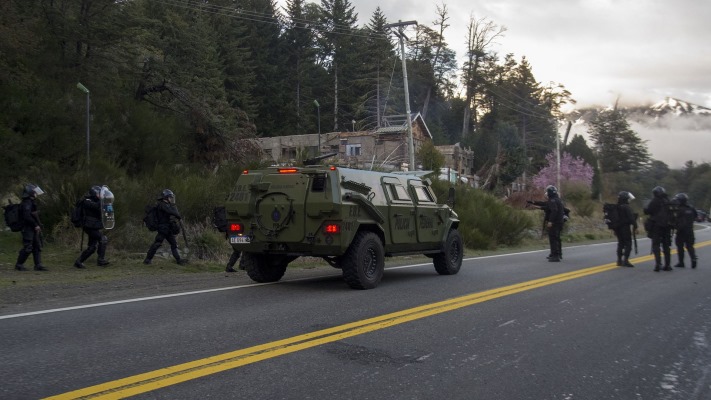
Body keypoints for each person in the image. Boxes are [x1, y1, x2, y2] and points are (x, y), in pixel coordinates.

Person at [143, 189, 187, 265]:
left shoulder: (167, 205)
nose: (171, 199)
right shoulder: (162, 205)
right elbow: (170, 212)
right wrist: (178, 215)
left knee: (173, 244)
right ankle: (147, 260)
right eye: (170, 197)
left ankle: (179, 260)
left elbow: (172, 212)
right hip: (163, 228)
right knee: (157, 243)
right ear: (166, 198)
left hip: (167, 228)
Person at [74, 186, 110, 269]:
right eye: (98, 193)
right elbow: (96, 206)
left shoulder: (96, 201)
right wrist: (102, 199)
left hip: (94, 226)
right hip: (88, 226)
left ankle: (78, 262)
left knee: (92, 247)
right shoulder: (87, 201)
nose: (99, 195)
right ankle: (101, 260)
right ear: (94, 193)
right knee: (103, 238)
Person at [14, 184, 48, 271]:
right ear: (30, 193)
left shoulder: (31, 202)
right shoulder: (27, 203)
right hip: (27, 228)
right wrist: (35, 225)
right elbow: (27, 216)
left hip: (31, 227)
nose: (36, 193)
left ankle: (38, 265)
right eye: (35, 192)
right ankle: (19, 264)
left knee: (36, 246)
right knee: (28, 247)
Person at [644, 186, 673, 272]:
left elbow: (647, 211)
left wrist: (645, 209)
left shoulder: (655, 201)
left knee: (656, 245)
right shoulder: (668, 200)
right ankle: (667, 265)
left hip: (656, 226)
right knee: (666, 245)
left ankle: (658, 264)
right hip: (667, 226)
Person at [673, 193, 698, 269]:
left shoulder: (679, 209)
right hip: (690, 230)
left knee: (680, 246)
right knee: (690, 246)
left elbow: (675, 219)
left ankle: (681, 262)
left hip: (681, 230)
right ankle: (693, 258)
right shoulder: (691, 208)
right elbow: (695, 216)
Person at [614, 191, 638, 267]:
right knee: (628, 243)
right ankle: (626, 260)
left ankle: (619, 260)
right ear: (625, 198)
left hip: (617, 228)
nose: (629, 200)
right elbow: (631, 218)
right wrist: (635, 226)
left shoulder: (616, 206)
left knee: (620, 243)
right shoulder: (626, 207)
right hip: (625, 228)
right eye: (628, 198)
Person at [544, 185, 565, 262]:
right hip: (559, 222)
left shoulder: (552, 200)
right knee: (557, 238)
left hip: (555, 223)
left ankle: (555, 255)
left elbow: (554, 211)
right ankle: (557, 254)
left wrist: (550, 221)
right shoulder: (558, 199)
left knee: (553, 238)